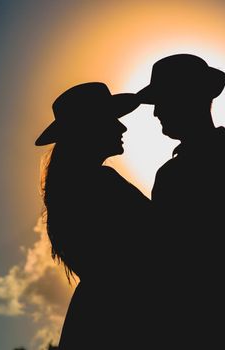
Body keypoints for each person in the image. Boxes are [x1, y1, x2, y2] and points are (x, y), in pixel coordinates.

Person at [137, 54, 225, 348]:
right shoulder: (169, 173)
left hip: (217, 329)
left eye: (162, 100)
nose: (156, 112)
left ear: (188, 98)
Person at [35, 82, 151, 349]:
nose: (122, 127)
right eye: (112, 120)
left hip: (94, 317)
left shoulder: (70, 188)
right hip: (118, 319)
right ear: (90, 128)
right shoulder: (101, 183)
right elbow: (165, 237)